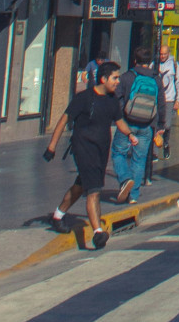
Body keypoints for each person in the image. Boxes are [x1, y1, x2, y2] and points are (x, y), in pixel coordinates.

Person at [43, 60, 138, 247]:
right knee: (94, 190)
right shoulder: (84, 98)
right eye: (115, 78)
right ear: (103, 79)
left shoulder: (112, 101)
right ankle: (97, 233)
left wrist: (130, 135)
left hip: (101, 149)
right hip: (83, 147)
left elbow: (119, 121)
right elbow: (64, 120)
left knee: (81, 185)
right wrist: (51, 146)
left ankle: (57, 216)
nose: (117, 81)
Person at [112, 46, 158, 204]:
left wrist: (118, 117)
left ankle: (125, 179)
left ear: (135, 61)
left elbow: (116, 98)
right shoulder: (156, 78)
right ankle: (134, 196)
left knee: (118, 153)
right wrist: (159, 127)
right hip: (146, 126)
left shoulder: (125, 77)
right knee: (139, 160)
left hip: (126, 123)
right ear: (150, 62)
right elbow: (162, 104)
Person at [156, 43, 179, 157]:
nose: (162, 56)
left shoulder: (174, 65)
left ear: (169, 53)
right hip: (157, 99)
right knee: (156, 125)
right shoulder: (155, 64)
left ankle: (166, 143)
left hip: (169, 99)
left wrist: (178, 100)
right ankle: (155, 151)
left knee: (166, 125)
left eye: (164, 54)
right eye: (161, 54)